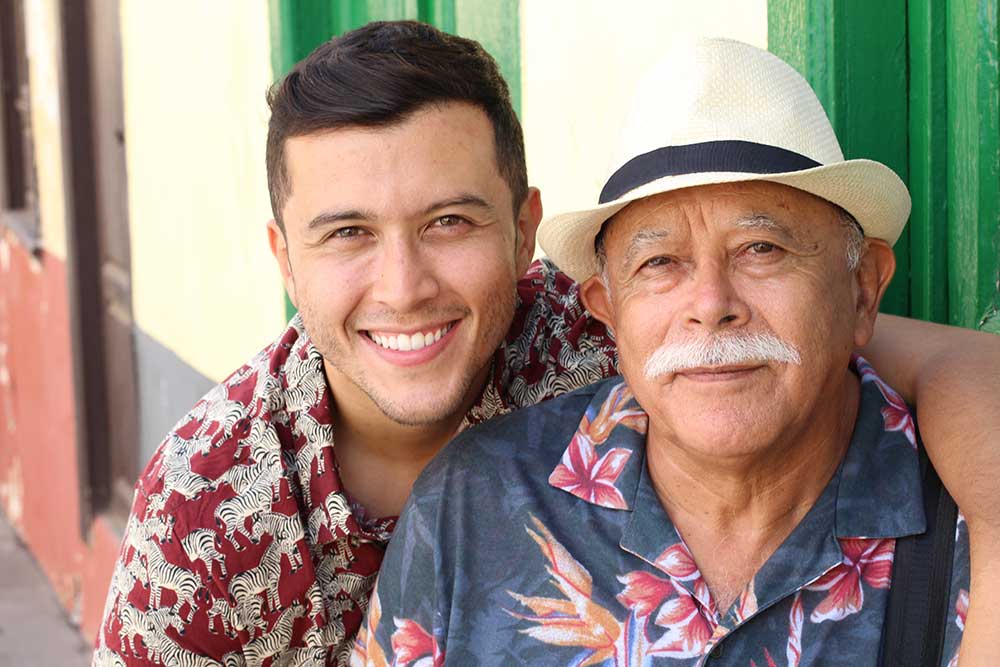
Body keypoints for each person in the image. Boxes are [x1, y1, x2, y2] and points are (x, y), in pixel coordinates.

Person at [94, 22, 1000, 667]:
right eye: (347, 234)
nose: (708, 307)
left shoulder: (594, 330)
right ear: (283, 257)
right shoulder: (208, 509)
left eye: (763, 249)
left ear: (526, 232)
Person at [352, 39, 978, 666]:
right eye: (660, 263)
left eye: (762, 248)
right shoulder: (471, 510)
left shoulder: (971, 514)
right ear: (608, 310)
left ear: (862, 289)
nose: (711, 303)